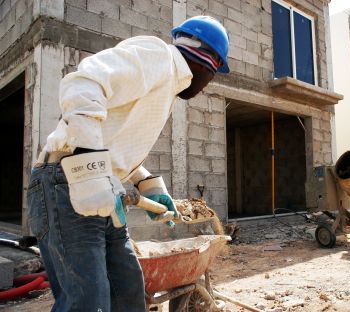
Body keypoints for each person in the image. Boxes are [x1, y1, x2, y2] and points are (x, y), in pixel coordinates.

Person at [26, 16, 229, 311]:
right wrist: (90, 169)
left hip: (100, 186)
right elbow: (83, 84)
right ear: (207, 62)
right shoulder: (158, 55)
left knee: (127, 293)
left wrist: (146, 182)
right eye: (215, 74)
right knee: (88, 302)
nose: (209, 83)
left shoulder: (165, 84)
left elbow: (114, 142)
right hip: (65, 184)